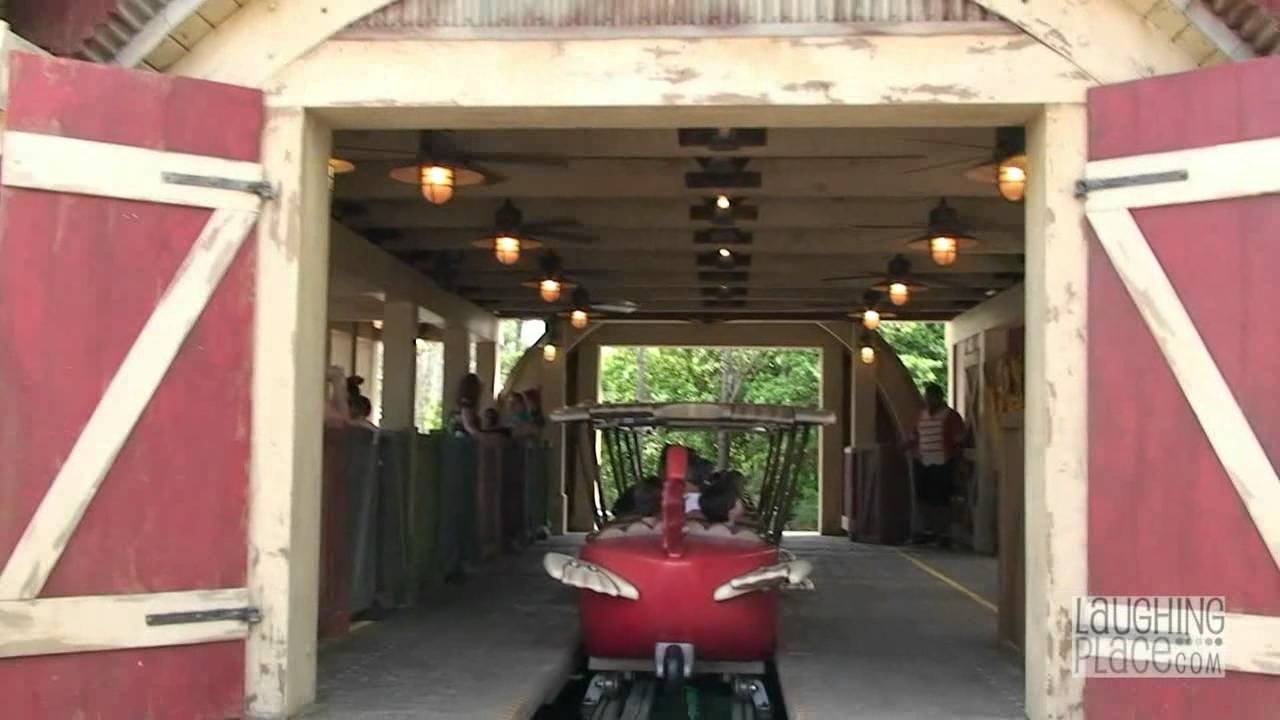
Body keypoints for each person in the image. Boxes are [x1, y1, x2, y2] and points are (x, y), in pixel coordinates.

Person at [903, 384, 966, 548]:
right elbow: (914, 436)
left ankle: (943, 533)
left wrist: (959, 462)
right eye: (926, 397)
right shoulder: (921, 416)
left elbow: (959, 440)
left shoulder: (951, 416)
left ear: (938, 397)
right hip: (923, 462)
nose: (927, 400)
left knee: (942, 499)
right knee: (923, 498)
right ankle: (926, 531)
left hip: (943, 462)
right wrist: (903, 447)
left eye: (930, 397)